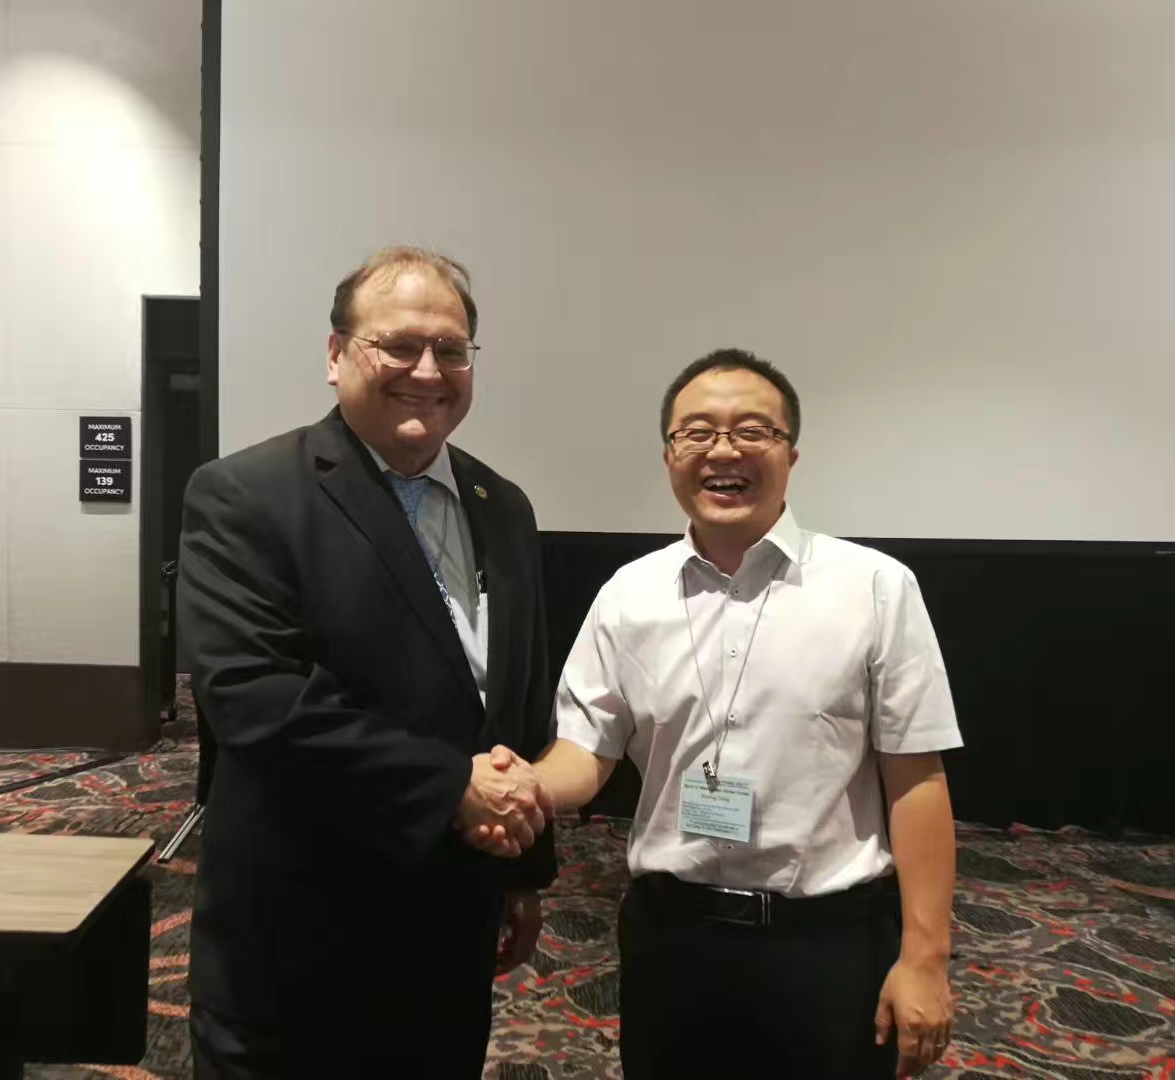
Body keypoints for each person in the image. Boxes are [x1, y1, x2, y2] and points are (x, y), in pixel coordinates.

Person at [495, 348, 961, 1079]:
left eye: (752, 430)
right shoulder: (628, 595)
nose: (723, 451)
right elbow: (586, 751)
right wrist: (524, 785)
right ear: (669, 455)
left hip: (828, 942)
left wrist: (925, 959)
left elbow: (916, 780)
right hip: (673, 939)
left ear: (791, 455)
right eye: (697, 432)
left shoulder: (876, 587)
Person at [178, 247, 556, 1079]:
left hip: (448, 929)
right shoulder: (246, 493)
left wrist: (520, 872)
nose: (428, 371)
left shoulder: (503, 505)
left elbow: (516, 703)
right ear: (336, 354)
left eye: (450, 350)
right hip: (298, 942)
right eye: (399, 346)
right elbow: (255, 700)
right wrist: (450, 787)